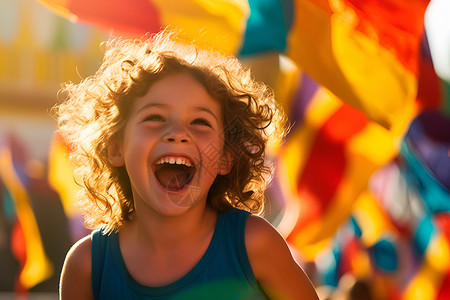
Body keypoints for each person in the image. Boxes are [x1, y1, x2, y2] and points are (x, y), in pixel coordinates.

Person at [56, 30, 319, 300]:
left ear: (226, 157)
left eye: (200, 122)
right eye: (155, 117)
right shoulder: (87, 265)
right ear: (115, 147)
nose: (178, 133)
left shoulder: (254, 245)